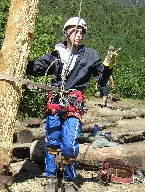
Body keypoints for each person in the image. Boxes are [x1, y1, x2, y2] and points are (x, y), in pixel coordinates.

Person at [26, 17, 116, 192]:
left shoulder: (90, 55)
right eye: (75, 31)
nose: (79, 35)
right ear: (67, 32)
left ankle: (69, 179)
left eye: (82, 32)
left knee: (69, 143)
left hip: (74, 103)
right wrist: (15, 62)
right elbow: (35, 68)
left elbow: (102, 79)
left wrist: (108, 66)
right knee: (52, 142)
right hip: (55, 101)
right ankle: (50, 177)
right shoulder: (56, 53)